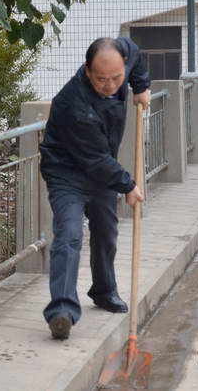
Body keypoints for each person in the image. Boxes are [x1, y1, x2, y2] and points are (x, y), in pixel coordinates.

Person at [39, 37, 151, 340]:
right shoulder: (72, 105)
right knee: (69, 235)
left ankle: (104, 291)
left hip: (101, 171)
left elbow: (136, 54)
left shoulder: (124, 57)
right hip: (67, 172)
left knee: (106, 233)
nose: (111, 85)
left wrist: (140, 86)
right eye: (102, 79)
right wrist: (128, 185)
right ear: (87, 71)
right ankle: (62, 311)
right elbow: (95, 159)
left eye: (117, 77)